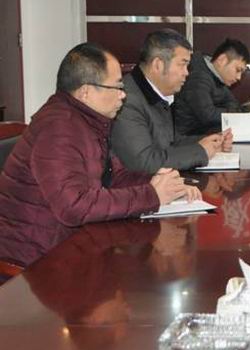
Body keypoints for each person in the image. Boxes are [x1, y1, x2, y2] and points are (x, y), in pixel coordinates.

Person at [0, 43, 198, 263]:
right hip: (35, 260)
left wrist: (161, 184)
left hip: (69, 244)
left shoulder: (90, 122)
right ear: (86, 91)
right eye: (117, 87)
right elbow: (72, 207)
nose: (123, 95)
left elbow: (112, 177)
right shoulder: (59, 128)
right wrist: (151, 195)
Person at [111, 29, 232, 174]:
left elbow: (170, 143)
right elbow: (143, 162)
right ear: (158, 64)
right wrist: (201, 152)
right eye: (182, 64)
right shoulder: (126, 100)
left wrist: (211, 142)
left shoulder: (157, 93)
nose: (186, 72)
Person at [174, 38, 250, 136]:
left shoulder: (216, 77)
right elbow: (208, 116)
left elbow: (233, 103)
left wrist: (238, 110)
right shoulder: (198, 77)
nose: (239, 77)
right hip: (188, 139)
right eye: (238, 70)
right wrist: (246, 110)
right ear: (222, 60)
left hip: (204, 135)